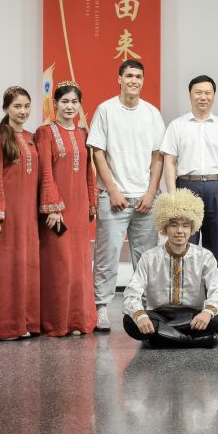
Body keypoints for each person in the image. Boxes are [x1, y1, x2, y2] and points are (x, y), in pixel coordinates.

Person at [87, 60, 166, 332]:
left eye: (138, 76)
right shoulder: (106, 110)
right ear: (119, 79)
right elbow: (98, 152)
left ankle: (143, 307)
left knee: (146, 259)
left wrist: (151, 192)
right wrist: (112, 190)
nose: (134, 80)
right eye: (129, 75)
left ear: (143, 81)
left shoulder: (152, 113)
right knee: (106, 255)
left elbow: (158, 156)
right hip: (113, 198)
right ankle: (101, 308)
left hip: (145, 199)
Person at [122, 189, 218, 347]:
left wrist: (206, 312)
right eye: (174, 225)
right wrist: (141, 316)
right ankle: (192, 340)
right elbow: (131, 292)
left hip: (192, 315)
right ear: (165, 228)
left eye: (185, 226)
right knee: (130, 321)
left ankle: (163, 337)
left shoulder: (205, 256)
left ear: (192, 229)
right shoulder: (149, 257)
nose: (180, 231)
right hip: (158, 314)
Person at [37, 81, 98, 337]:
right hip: (58, 210)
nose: (69, 107)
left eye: (74, 102)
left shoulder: (83, 133)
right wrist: (52, 207)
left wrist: (92, 202)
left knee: (80, 264)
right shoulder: (45, 132)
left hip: (79, 206)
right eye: (64, 102)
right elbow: (45, 172)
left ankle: (78, 320)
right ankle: (57, 321)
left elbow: (88, 172)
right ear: (55, 104)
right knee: (59, 264)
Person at [160, 75, 218, 266]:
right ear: (190, 95)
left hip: (217, 188)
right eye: (198, 93)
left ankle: (215, 284)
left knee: (217, 242)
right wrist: (173, 196)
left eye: (207, 93)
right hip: (186, 187)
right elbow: (169, 162)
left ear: (213, 96)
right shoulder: (177, 126)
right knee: (185, 242)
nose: (202, 97)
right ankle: (186, 283)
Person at [0, 86, 40, 340]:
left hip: (29, 213)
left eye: (26, 106)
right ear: (6, 108)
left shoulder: (32, 137)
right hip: (8, 214)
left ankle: (27, 322)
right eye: (17, 106)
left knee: (28, 265)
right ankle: (6, 326)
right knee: (7, 267)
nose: (23, 111)